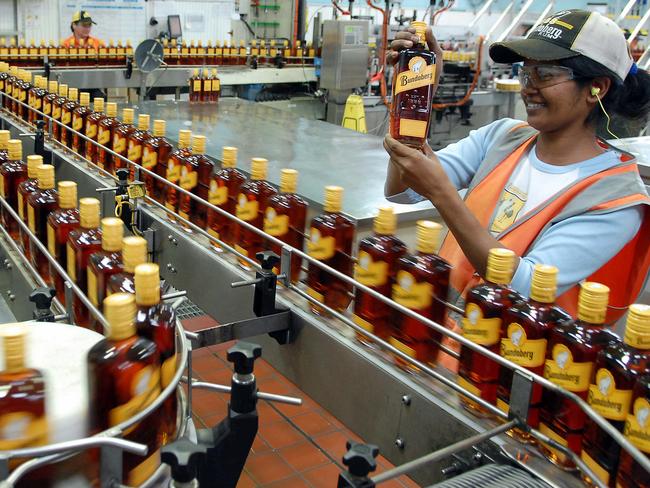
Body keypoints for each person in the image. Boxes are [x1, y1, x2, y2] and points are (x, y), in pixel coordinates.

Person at [384, 9, 650, 323]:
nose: (528, 87)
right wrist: (417, 95)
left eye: (546, 76)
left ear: (598, 88)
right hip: (444, 336)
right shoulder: (502, 137)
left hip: (516, 360)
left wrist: (443, 195)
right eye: (526, 73)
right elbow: (402, 192)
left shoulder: (616, 200)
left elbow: (523, 286)